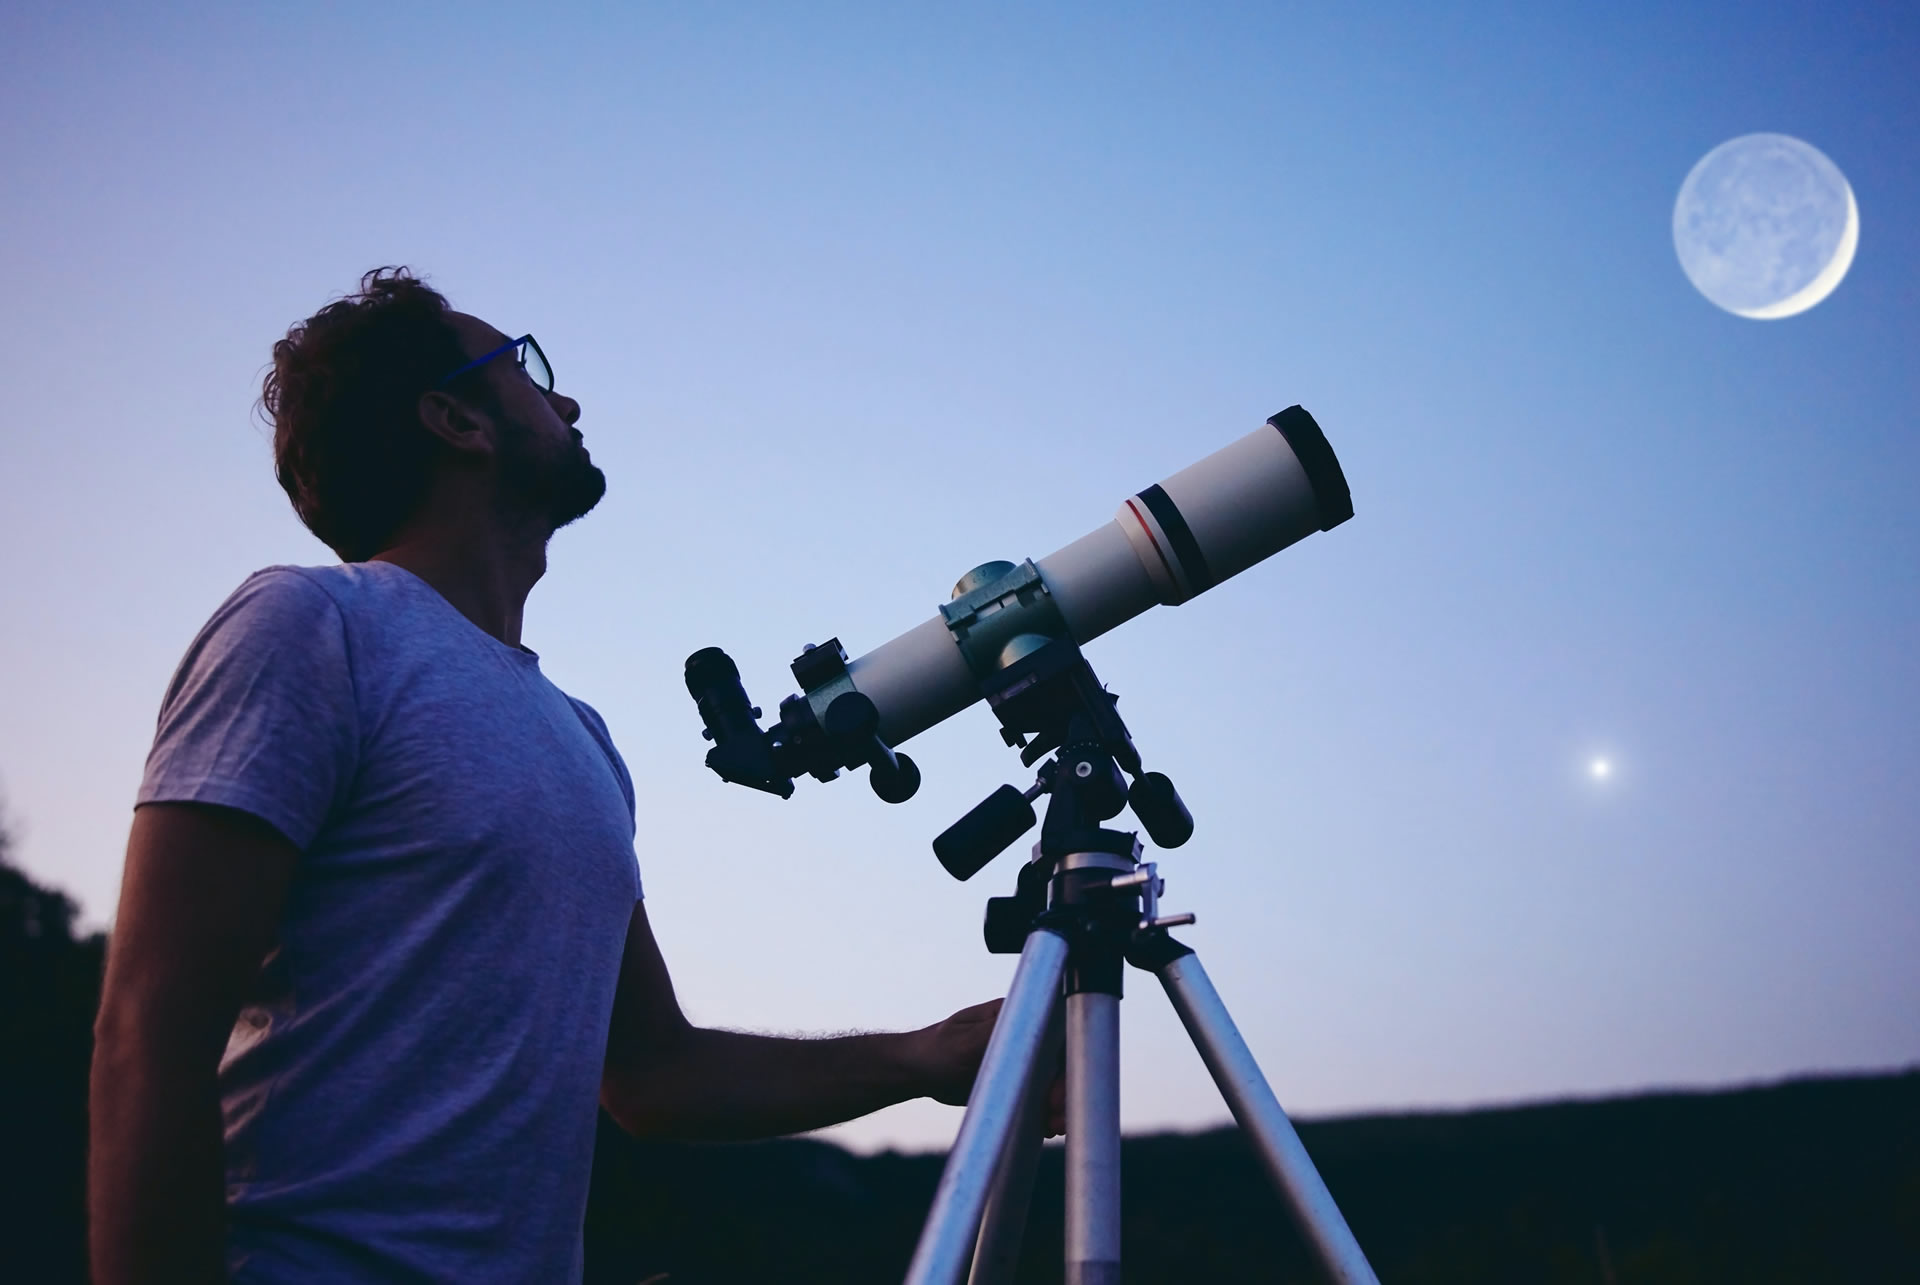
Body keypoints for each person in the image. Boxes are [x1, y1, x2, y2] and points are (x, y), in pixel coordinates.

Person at [88, 268, 1014, 1283]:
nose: (565, 402)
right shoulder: (311, 626)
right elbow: (152, 1026)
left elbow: (654, 1074)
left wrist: (924, 1057)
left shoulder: (582, 738)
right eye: (527, 370)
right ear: (456, 420)